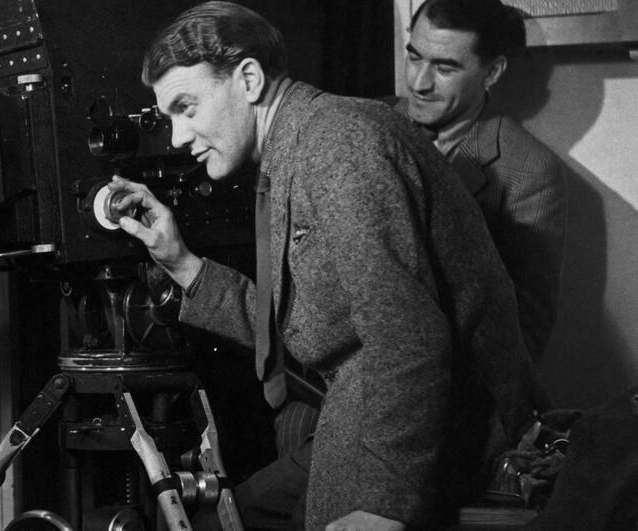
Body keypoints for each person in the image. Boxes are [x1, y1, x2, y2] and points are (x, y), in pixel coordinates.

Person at [108, 2, 545, 529]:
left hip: (444, 430)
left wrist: (384, 505)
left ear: (249, 79)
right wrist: (181, 263)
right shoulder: (301, 143)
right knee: (223, 520)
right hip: (367, 407)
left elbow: (407, 336)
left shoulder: (338, 145)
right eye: (169, 117)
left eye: (187, 107)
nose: (178, 137)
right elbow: (301, 322)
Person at [398, 0, 566, 361]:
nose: (418, 82)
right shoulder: (369, 122)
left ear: (491, 73)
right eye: (414, 57)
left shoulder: (531, 171)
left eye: (444, 68)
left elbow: (525, 334)